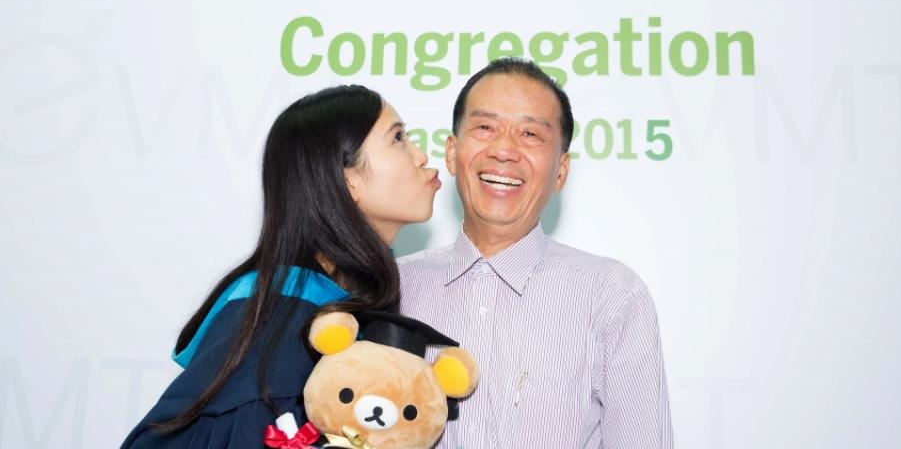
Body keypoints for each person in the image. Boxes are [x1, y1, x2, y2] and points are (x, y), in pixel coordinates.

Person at [122, 85, 442, 447]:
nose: (419, 156)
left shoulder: (342, 299)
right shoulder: (286, 308)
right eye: (398, 138)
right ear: (347, 179)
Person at [398, 58, 673, 448]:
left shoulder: (611, 294)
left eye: (530, 133)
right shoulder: (392, 288)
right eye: (485, 127)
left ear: (560, 172)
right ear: (452, 152)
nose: (504, 150)